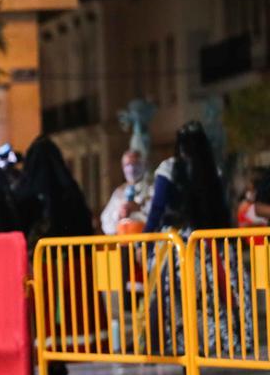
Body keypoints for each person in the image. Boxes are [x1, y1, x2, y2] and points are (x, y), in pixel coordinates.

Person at [144, 121, 244, 354]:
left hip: (175, 246)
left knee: (175, 297)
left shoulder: (169, 169)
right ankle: (218, 341)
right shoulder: (212, 170)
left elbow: (157, 209)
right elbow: (221, 209)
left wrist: (144, 242)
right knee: (211, 297)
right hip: (209, 244)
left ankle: (180, 344)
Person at [100, 150, 153, 235]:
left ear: (143, 165)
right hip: (125, 243)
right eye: (127, 165)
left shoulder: (151, 189)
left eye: (135, 164)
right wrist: (119, 214)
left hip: (145, 241)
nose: (131, 168)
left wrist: (140, 208)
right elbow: (106, 223)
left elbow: (158, 214)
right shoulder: (119, 193)